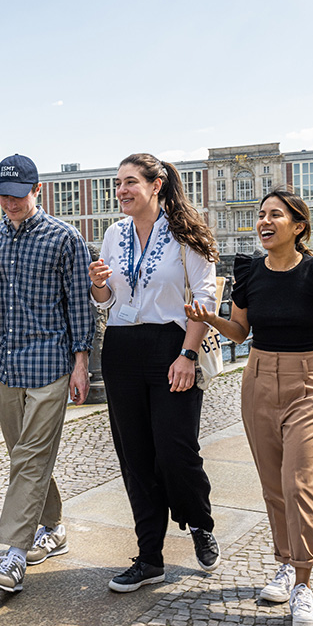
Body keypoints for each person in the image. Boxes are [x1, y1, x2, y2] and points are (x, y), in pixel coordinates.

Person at [186, 188, 313, 626]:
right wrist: (208, 318)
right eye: (261, 214)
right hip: (258, 380)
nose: (264, 221)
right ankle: (285, 564)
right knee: (274, 485)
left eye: (276, 214)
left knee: (300, 483)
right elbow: (240, 332)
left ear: (298, 226)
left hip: (309, 382)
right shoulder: (248, 272)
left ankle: (304, 584)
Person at [88, 153, 220, 594]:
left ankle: (199, 523)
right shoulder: (114, 233)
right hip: (122, 348)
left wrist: (187, 353)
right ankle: (149, 558)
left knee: (176, 450)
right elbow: (107, 302)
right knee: (136, 457)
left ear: (155, 184)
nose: (121, 190)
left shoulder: (186, 233)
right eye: (118, 183)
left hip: (172, 346)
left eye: (130, 181)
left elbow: (205, 298)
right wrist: (99, 284)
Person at [0, 153, 94, 593]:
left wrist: (81, 363)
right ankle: (54, 527)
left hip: (49, 365)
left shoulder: (65, 238)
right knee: (24, 456)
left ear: (36, 190)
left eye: (17, 196)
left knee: (29, 458)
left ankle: (15, 555)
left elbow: (79, 304)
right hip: (6, 365)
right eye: (2, 197)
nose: (9, 203)